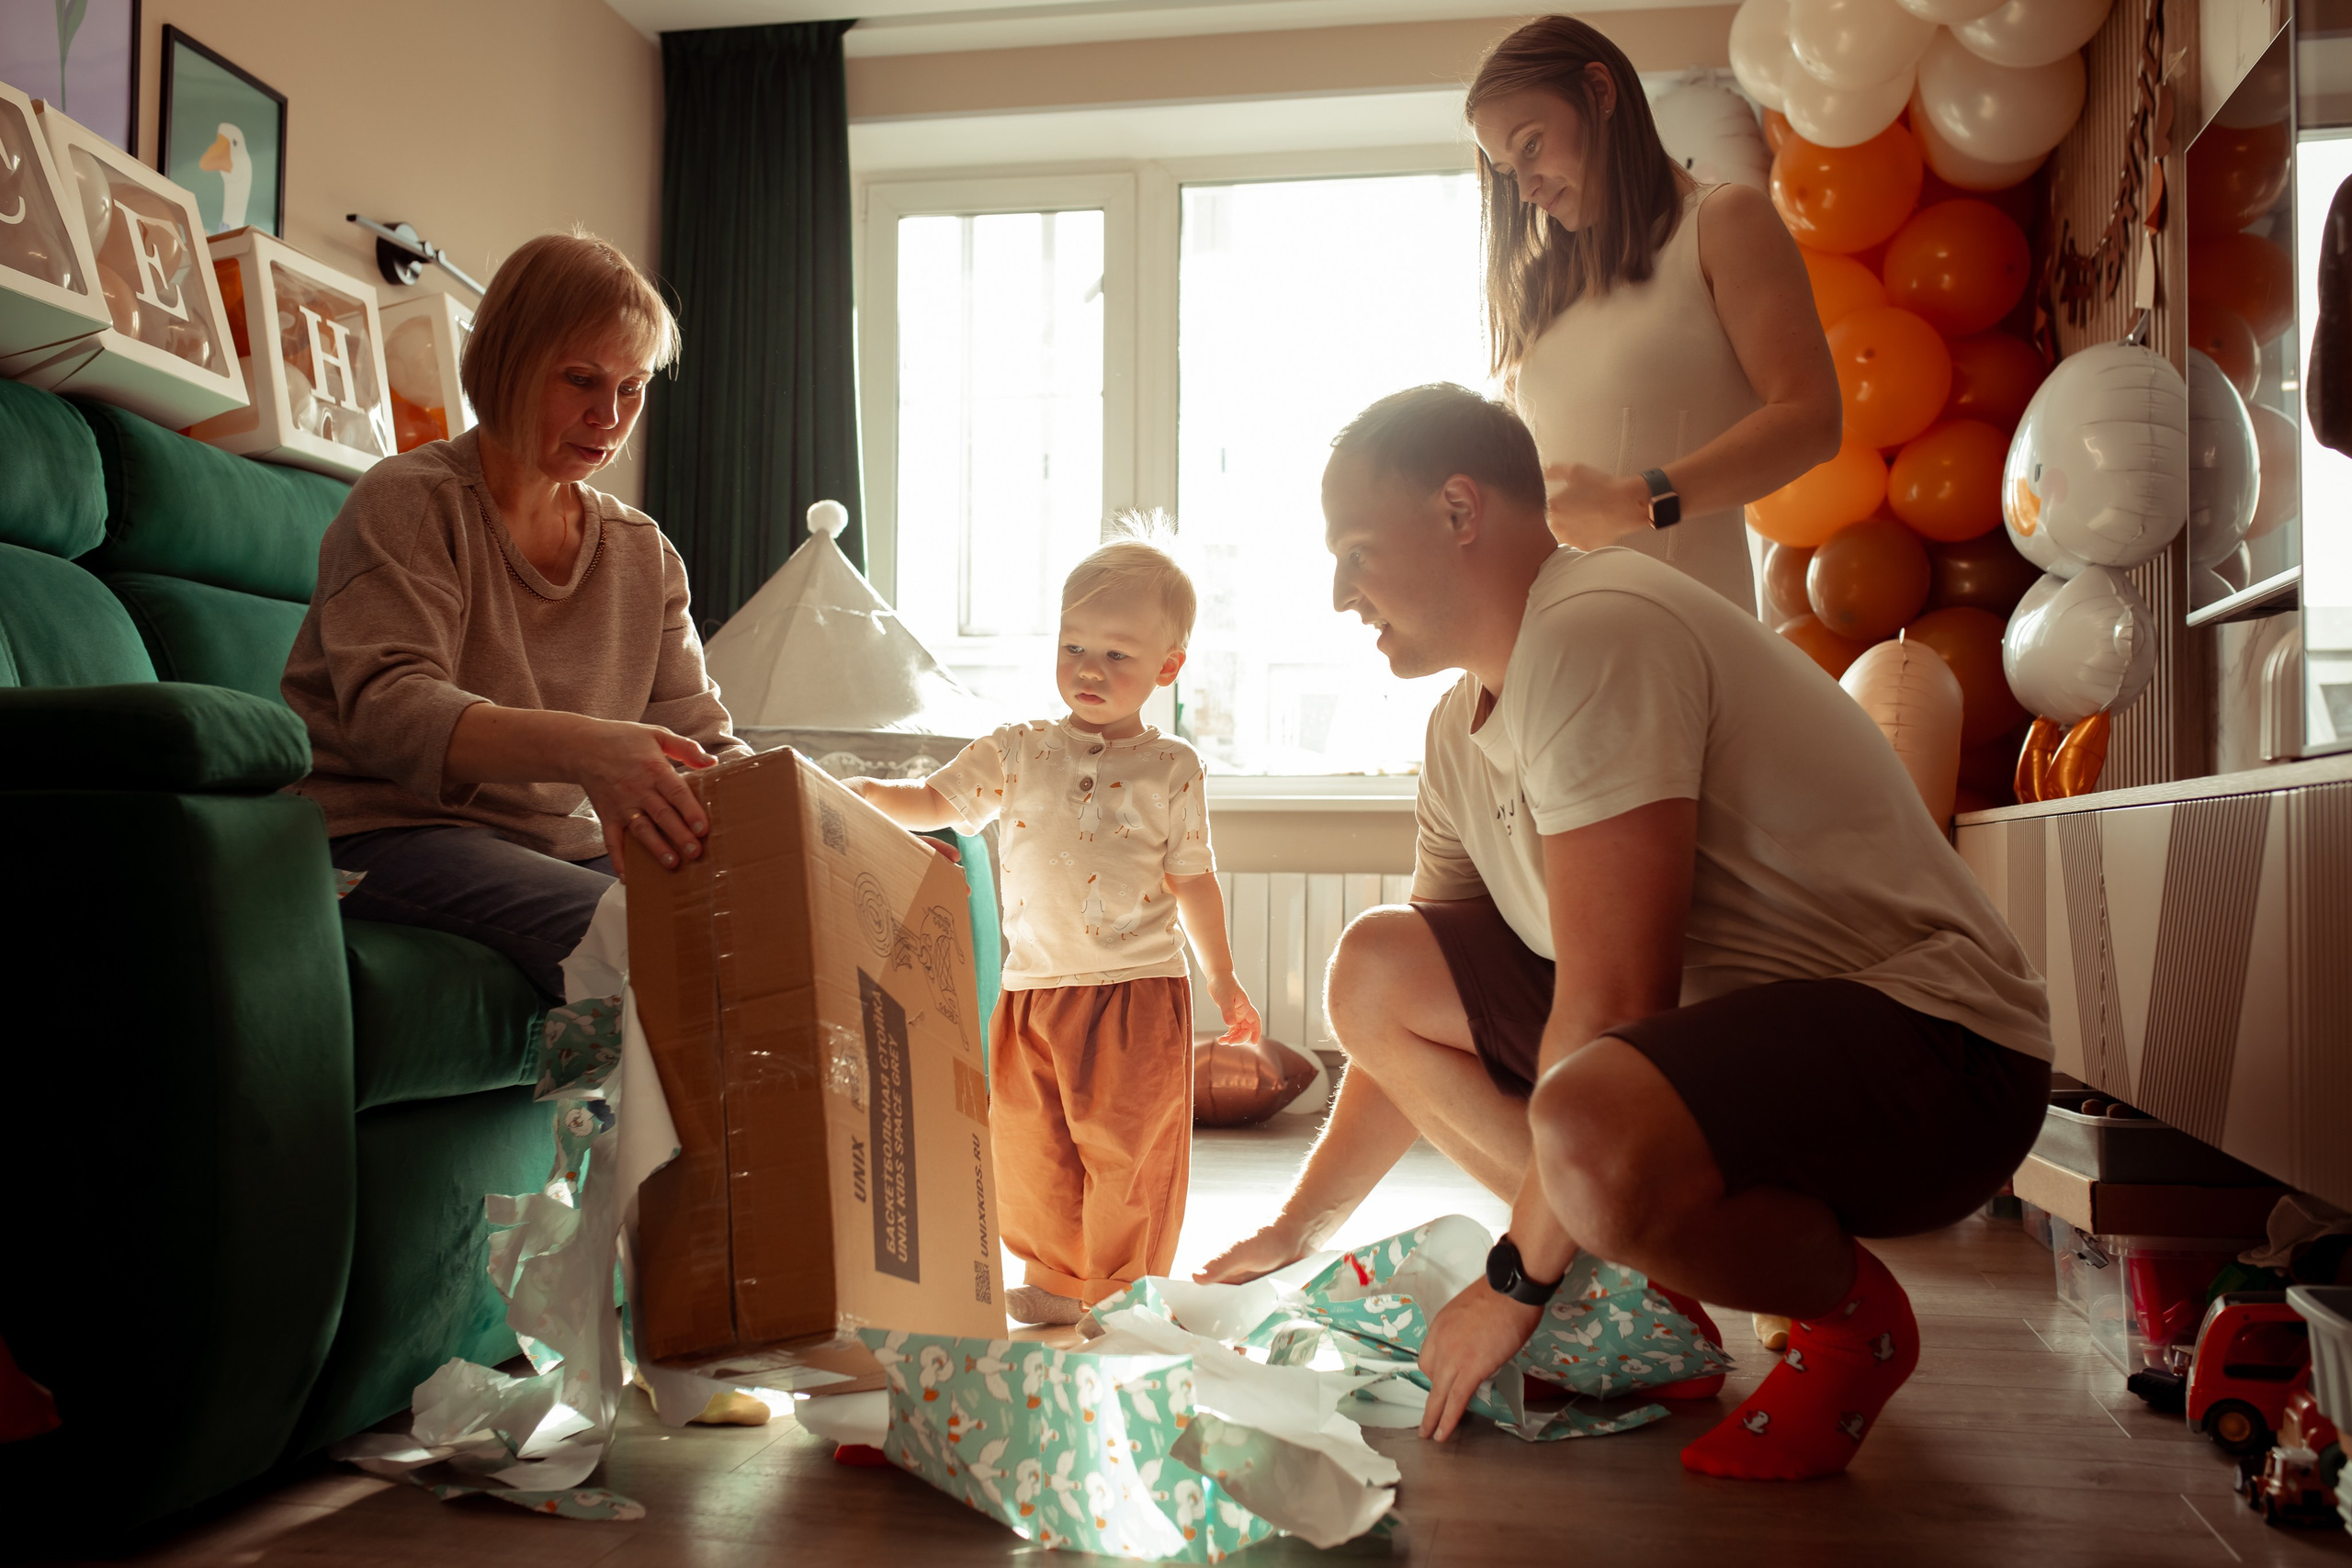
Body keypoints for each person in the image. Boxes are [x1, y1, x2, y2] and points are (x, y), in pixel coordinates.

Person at [1201, 385, 2051, 1480]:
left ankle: (1851, 1325)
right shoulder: (1458, 730)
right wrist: (1296, 1228)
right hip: (1732, 1060)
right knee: (1376, 968)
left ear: (1459, 511)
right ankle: (1644, 1278)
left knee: (1590, 1120)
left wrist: (1513, 1284)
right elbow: (1397, 1026)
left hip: (1944, 1063)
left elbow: (1613, 1004)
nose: (1337, 594)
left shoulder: (1594, 629)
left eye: (1355, 553)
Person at [282, 232, 744, 998]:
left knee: (759, 921)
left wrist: (830, 841)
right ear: (507, 362)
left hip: (557, 845)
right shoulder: (410, 500)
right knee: (651, 938)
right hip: (377, 834)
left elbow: (701, 742)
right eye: (581, 380)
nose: (609, 415)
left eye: (632, 388)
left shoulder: (643, 553)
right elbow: (391, 709)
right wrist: (586, 749)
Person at [853, 524, 1262, 1327]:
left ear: (1167, 667)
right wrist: (871, 795)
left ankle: (1122, 1290)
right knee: (1031, 1148)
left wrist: (1223, 977)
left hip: (1135, 992)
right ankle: (1054, 1277)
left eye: (1116, 653)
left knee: (1125, 1150)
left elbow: (1193, 879)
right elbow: (937, 801)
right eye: (1074, 645)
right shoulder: (1019, 750)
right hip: (1032, 991)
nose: (1089, 668)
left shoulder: (1172, 767)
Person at [1471, 15, 1841, 614]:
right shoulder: (1541, 290)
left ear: (1600, 91)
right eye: (1508, 172)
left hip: (1689, 638)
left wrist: (1638, 501)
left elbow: (1813, 419)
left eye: (1531, 144)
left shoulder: (1725, 223)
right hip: (1558, 639)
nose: (1526, 189)